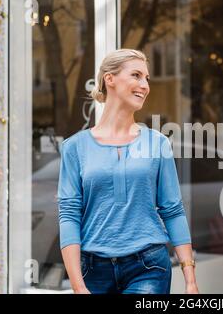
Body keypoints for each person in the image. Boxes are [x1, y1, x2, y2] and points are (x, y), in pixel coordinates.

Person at [58, 49, 198, 294]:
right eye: (136, 75)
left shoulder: (157, 144)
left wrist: (190, 279)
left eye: (147, 79)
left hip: (148, 266)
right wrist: (78, 287)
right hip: (93, 271)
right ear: (109, 79)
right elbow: (69, 216)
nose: (144, 85)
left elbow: (173, 210)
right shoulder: (74, 147)